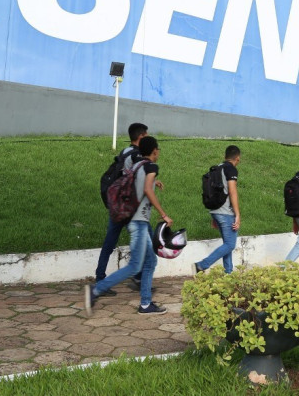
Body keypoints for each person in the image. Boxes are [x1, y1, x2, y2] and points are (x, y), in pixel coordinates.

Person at [85, 136, 172, 315]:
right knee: (134, 266)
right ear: (154, 151)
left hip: (134, 220)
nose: (158, 152)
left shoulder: (137, 165)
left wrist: (153, 183)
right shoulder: (151, 167)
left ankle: (146, 304)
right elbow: (147, 190)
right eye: (158, 149)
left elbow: (140, 185)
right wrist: (163, 214)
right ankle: (96, 290)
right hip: (138, 223)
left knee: (150, 261)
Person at [94, 123, 157, 296]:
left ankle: (100, 278)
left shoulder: (125, 152)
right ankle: (138, 278)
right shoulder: (137, 155)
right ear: (141, 137)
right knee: (147, 239)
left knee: (110, 242)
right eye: (147, 135)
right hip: (130, 207)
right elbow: (138, 177)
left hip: (118, 204)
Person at [193, 145, 241, 274]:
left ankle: (228, 273)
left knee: (227, 244)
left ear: (225, 156)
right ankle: (201, 265)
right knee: (230, 244)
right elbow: (232, 191)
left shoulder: (218, 168)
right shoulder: (231, 169)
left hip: (216, 211)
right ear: (238, 158)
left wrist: (215, 216)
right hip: (226, 212)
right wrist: (237, 214)